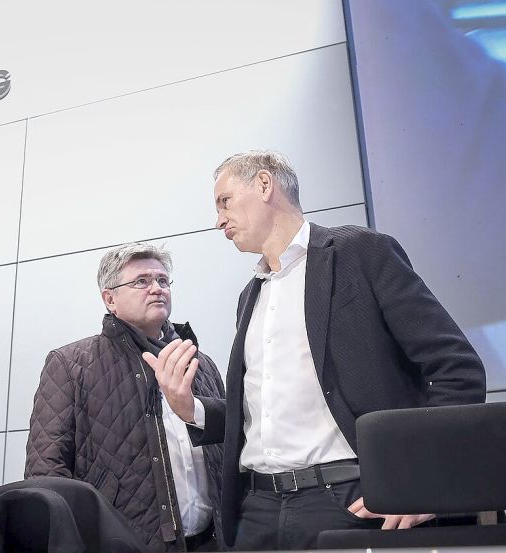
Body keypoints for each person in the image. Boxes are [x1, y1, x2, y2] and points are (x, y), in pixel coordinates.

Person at [146, 151, 487, 550]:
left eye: (225, 201)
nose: (219, 219)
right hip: (258, 510)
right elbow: (262, 411)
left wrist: (425, 478)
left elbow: (456, 369)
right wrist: (191, 408)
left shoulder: (360, 252)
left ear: (263, 184)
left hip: (350, 500)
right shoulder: (250, 295)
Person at [25, 242, 225, 551]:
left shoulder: (201, 364)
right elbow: (45, 473)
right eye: (141, 281)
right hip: (122, 543)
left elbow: (230, 450)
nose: (156, 288)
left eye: (162, 280)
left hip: (213, 542)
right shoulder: (70, 364)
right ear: (110, 299)